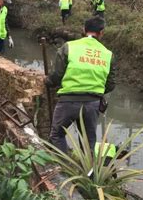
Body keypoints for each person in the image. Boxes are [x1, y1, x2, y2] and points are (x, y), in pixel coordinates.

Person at [46, 16, 116, 153]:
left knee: (57, 135)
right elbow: (111, 84)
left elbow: (56, 76)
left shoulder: (68, 47)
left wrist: (47, 82)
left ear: (83, 30)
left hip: (68, 101)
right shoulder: (108, 54)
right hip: (93, 103)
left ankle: (62, 170)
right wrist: (96, 90)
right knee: (88, 141)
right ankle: (88, 172)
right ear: (101, 33)